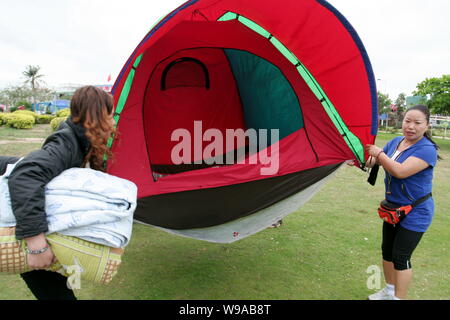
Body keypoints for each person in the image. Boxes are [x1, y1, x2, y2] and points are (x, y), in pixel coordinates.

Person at [3, 85, 116, 300]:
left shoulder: (79, 140)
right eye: (111, 114)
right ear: (99, 114)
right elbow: (25, 176)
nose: (113, 121)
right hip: (22, 217)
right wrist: (36, 244)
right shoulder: (67, 144)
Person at [365, 104, 440, 300]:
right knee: (387, 252)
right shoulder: (396, 141)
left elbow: (400, 170)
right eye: (407, 121)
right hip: (393, 209)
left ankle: (399, 298)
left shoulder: (427, 150)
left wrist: (379, 153)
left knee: (401, 257)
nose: (411, 126)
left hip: (416, 212)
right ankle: (389, 292)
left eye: (417, 122)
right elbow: (377, 161)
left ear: (427, 125)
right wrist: (361, 159)